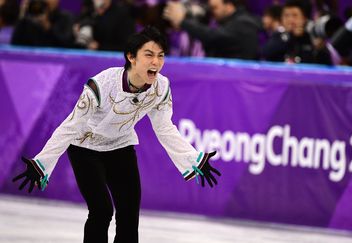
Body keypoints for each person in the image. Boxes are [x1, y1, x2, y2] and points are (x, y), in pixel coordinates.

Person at [12, 26, 221, 243]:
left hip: (121, 146)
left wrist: (191, 157)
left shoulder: (161, 86)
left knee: (129, 214)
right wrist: (42, 162)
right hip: (85, 148)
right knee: (102, 210)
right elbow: (71, 126)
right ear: (131, 57)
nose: (156, 62)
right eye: (149, 55)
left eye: (160, 56)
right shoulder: (102, 84)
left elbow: (164, 128)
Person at [163, 0, 261, 60]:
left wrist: (182, 21)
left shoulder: (243, 23)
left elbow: (212, 36)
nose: (212, 12)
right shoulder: (231, 22)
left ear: (229, 6)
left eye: (215, 8)